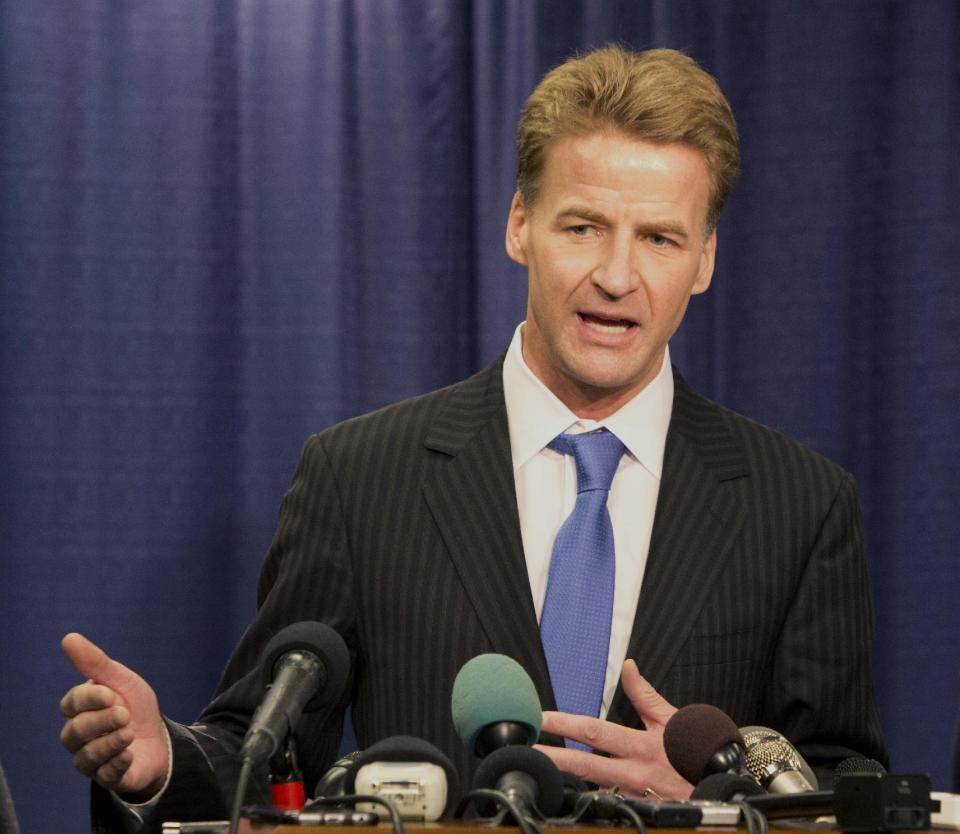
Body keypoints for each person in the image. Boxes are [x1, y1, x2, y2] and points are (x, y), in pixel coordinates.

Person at [59, 45, 888, 830]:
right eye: (583, 226)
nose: (617, 275)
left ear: (704, 260)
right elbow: (264, 752)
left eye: (660, 238)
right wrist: (163, 758)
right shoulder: (358, 477)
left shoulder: (801, 504)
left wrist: (715, 798)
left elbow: (852, 785)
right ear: (520, 224)